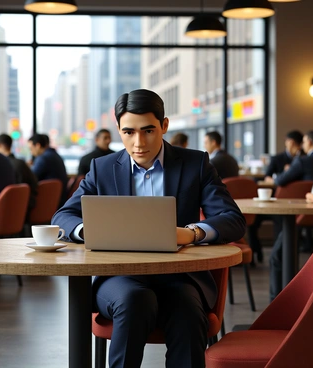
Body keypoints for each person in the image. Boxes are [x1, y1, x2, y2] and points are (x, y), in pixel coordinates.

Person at [52, 89, 246, 368]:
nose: (139, 142)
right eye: (129, 132)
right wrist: (89, 230)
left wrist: (192, 233)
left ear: (164, 126)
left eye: (148, 131)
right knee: (134, 300)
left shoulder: (196, 163)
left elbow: (232, 218)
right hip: (119, 277)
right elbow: (63, 216)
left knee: (187, 310)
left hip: (180, 277)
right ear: (118, 129)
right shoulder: (102, 168)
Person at [268, 130, 313, 301]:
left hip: (300, 215)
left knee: (277, 256)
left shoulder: (302, 161)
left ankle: (278, 301)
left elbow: (280, 181)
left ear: (308, 142)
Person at [248, 130, 304, 265]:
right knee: (253, 221)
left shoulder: (303, 160)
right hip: (274, 201)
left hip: (296, 204)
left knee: (281, 221)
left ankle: (282, 254)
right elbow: (267, 177)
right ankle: (257, 251)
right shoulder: (277, 159)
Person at [0, 133, 38, 213]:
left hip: (12, 208)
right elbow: (34, 183)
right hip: (28, 204)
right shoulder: (21, 163)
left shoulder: (3, 166)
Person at [28, 133, 68, 207]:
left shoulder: (43, 158)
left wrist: (26, 168)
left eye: (31, 148)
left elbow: (30, 179)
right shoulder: (55, 155)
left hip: (46, 203)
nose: (31, 152)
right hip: (59, 200)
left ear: (37, 145)